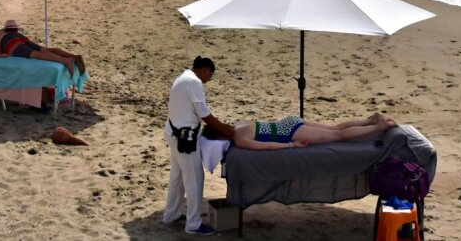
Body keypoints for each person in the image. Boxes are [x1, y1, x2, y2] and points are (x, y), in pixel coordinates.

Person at [163, 56, 235, 236]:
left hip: (173, 132)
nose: (210, 78)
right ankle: (193, 223)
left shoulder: (182, 77)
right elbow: (204, 114)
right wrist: (225, 129)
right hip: (185, 137)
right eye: (211, 73)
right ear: (204, 69)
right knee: (194, 179)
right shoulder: (194, 82)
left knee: (177, 176)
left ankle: (171, 214)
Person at [205, 111, 398, 150]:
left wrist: (291, 144)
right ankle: (371, 119)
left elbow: (269, 146)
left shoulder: (240, 139)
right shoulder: (238, 124)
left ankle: (378, 126)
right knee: (335, 128)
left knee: (338, 136)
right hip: (289, 122)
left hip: (291, 133)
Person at [0, 21, 86, 77]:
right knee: (44, 50)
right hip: (12, 36)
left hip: (5, 44)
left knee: (35, 55)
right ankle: (73, 56)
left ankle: (66, 61)